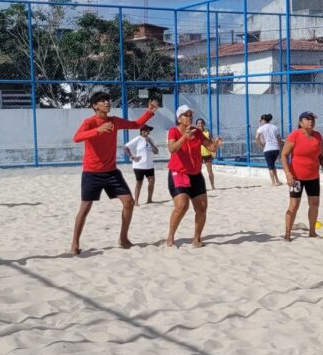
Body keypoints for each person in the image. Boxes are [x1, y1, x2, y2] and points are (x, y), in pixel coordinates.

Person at [70, 92, 158, 254]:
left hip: (111, 172)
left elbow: (136, 124)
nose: (107, 103)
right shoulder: (89, 122)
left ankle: (123, 238)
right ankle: (75, 244)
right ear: (95, 106)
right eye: (102, 101)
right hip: (91, 172)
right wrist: (98, 130)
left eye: (107, 100)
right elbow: (76, 138)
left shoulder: (114, 121)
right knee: (85, 207)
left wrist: (150, 112)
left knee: (129, 202)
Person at [166, 105, 222, 247]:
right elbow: (172, 149)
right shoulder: (174, 131)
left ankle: (196, 239)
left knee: (202, 208)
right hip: (179, 172)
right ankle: (171, 236)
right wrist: (184, 137)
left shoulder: (197, 132)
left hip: (196, 173)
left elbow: (210, 148)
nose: (190, 117)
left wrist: (216, 143)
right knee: (182, 206)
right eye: (186, 115)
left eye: (191, 114)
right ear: (179, 119)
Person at [281, 111, 323, 241]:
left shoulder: (318, 136)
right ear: (300, 122)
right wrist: (288, 173)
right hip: (296, 177)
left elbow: (322, 156)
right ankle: (287, 234)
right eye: (308, 119)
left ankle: (312, 232)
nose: (311, 121)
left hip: (313, 177)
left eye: (313, 119)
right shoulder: (294, 135)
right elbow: (284, 155)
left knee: (314, 203)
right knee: (294, 206)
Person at [124, 124, 159, 205]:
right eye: (146, 130)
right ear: (141, 131)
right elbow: (125, 147)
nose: (148, 132)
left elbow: (156, 151)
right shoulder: (137, 139)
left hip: (149, 165)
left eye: (148, 130)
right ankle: (136, 201)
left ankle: (149, 199)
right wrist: (132, 157)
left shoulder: (151, 139)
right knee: (139, 182)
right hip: (139, 165)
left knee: (152, 181)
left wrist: (150, 142)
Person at [255, 113, 283, 186]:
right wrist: (280, 150)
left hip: (267, 149)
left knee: (270, 167)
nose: (260, 122)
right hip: (276, 148)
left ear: (263, 120)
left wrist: (261, 145)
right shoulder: (274, 127)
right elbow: (279, 139)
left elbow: (256, 137)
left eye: (260, 120)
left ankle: (273, 182)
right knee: (273, 165)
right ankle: (277, 180)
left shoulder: (261, 128)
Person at [196, 118, 222, 190]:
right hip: (198, 154)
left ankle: (213, 186)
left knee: (210, 171)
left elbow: (212, 142)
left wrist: (217, 141)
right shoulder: (195, 132)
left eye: (201, 123)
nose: (200, 124)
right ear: (196, 124)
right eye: (198, 123)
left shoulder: (208, 132)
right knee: (197, 171)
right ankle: (198, 187)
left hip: (207, 153)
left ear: (203, 124)